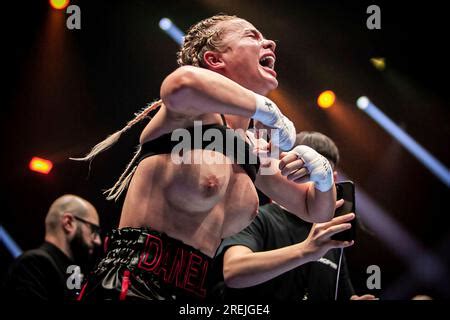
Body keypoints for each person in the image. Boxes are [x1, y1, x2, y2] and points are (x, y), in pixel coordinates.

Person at [73, 14, 337, 301]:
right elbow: (181, 84)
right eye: (252, 36)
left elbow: (316, 211)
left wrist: (321, 174)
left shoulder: (251, 149)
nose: (270, 43)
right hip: (133, 283)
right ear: (213, 60)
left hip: (193, 295)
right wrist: (267, 110)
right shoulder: (193, 114)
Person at [218, 131, 376, 301]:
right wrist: (305, 250)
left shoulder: (331, 236)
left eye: (323, 179)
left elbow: (342, 294)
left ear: (333, 180)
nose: (314, 186)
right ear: (288, 170)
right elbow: (233, 271)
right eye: (308, 175)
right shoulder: (258, 217)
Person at [3, 194, 101, 301]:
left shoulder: (73, 271)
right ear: (68, 223)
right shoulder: (33, 264)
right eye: (93, 230)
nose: (98, 241)